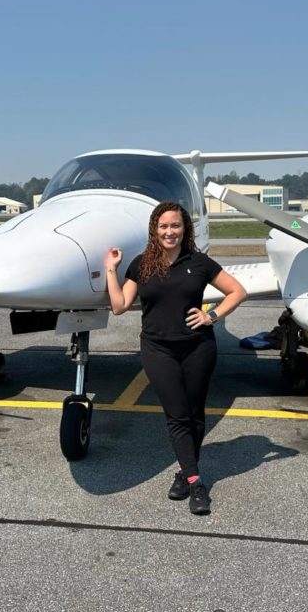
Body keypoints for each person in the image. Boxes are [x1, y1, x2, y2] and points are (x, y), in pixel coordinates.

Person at [104, 201, 247, 515]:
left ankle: (184, 471)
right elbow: (119, 306)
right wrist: (112, 269)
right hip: (158, 350)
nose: (169, 232)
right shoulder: (142, 264)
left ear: (185, 229)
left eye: (175, 225)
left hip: (198, 348)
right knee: (178, 415)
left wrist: (212, 316)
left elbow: (237, 291)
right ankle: (197, 484)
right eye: (164, 226)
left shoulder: (199, 262)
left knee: (195, 415)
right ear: (155, 229)